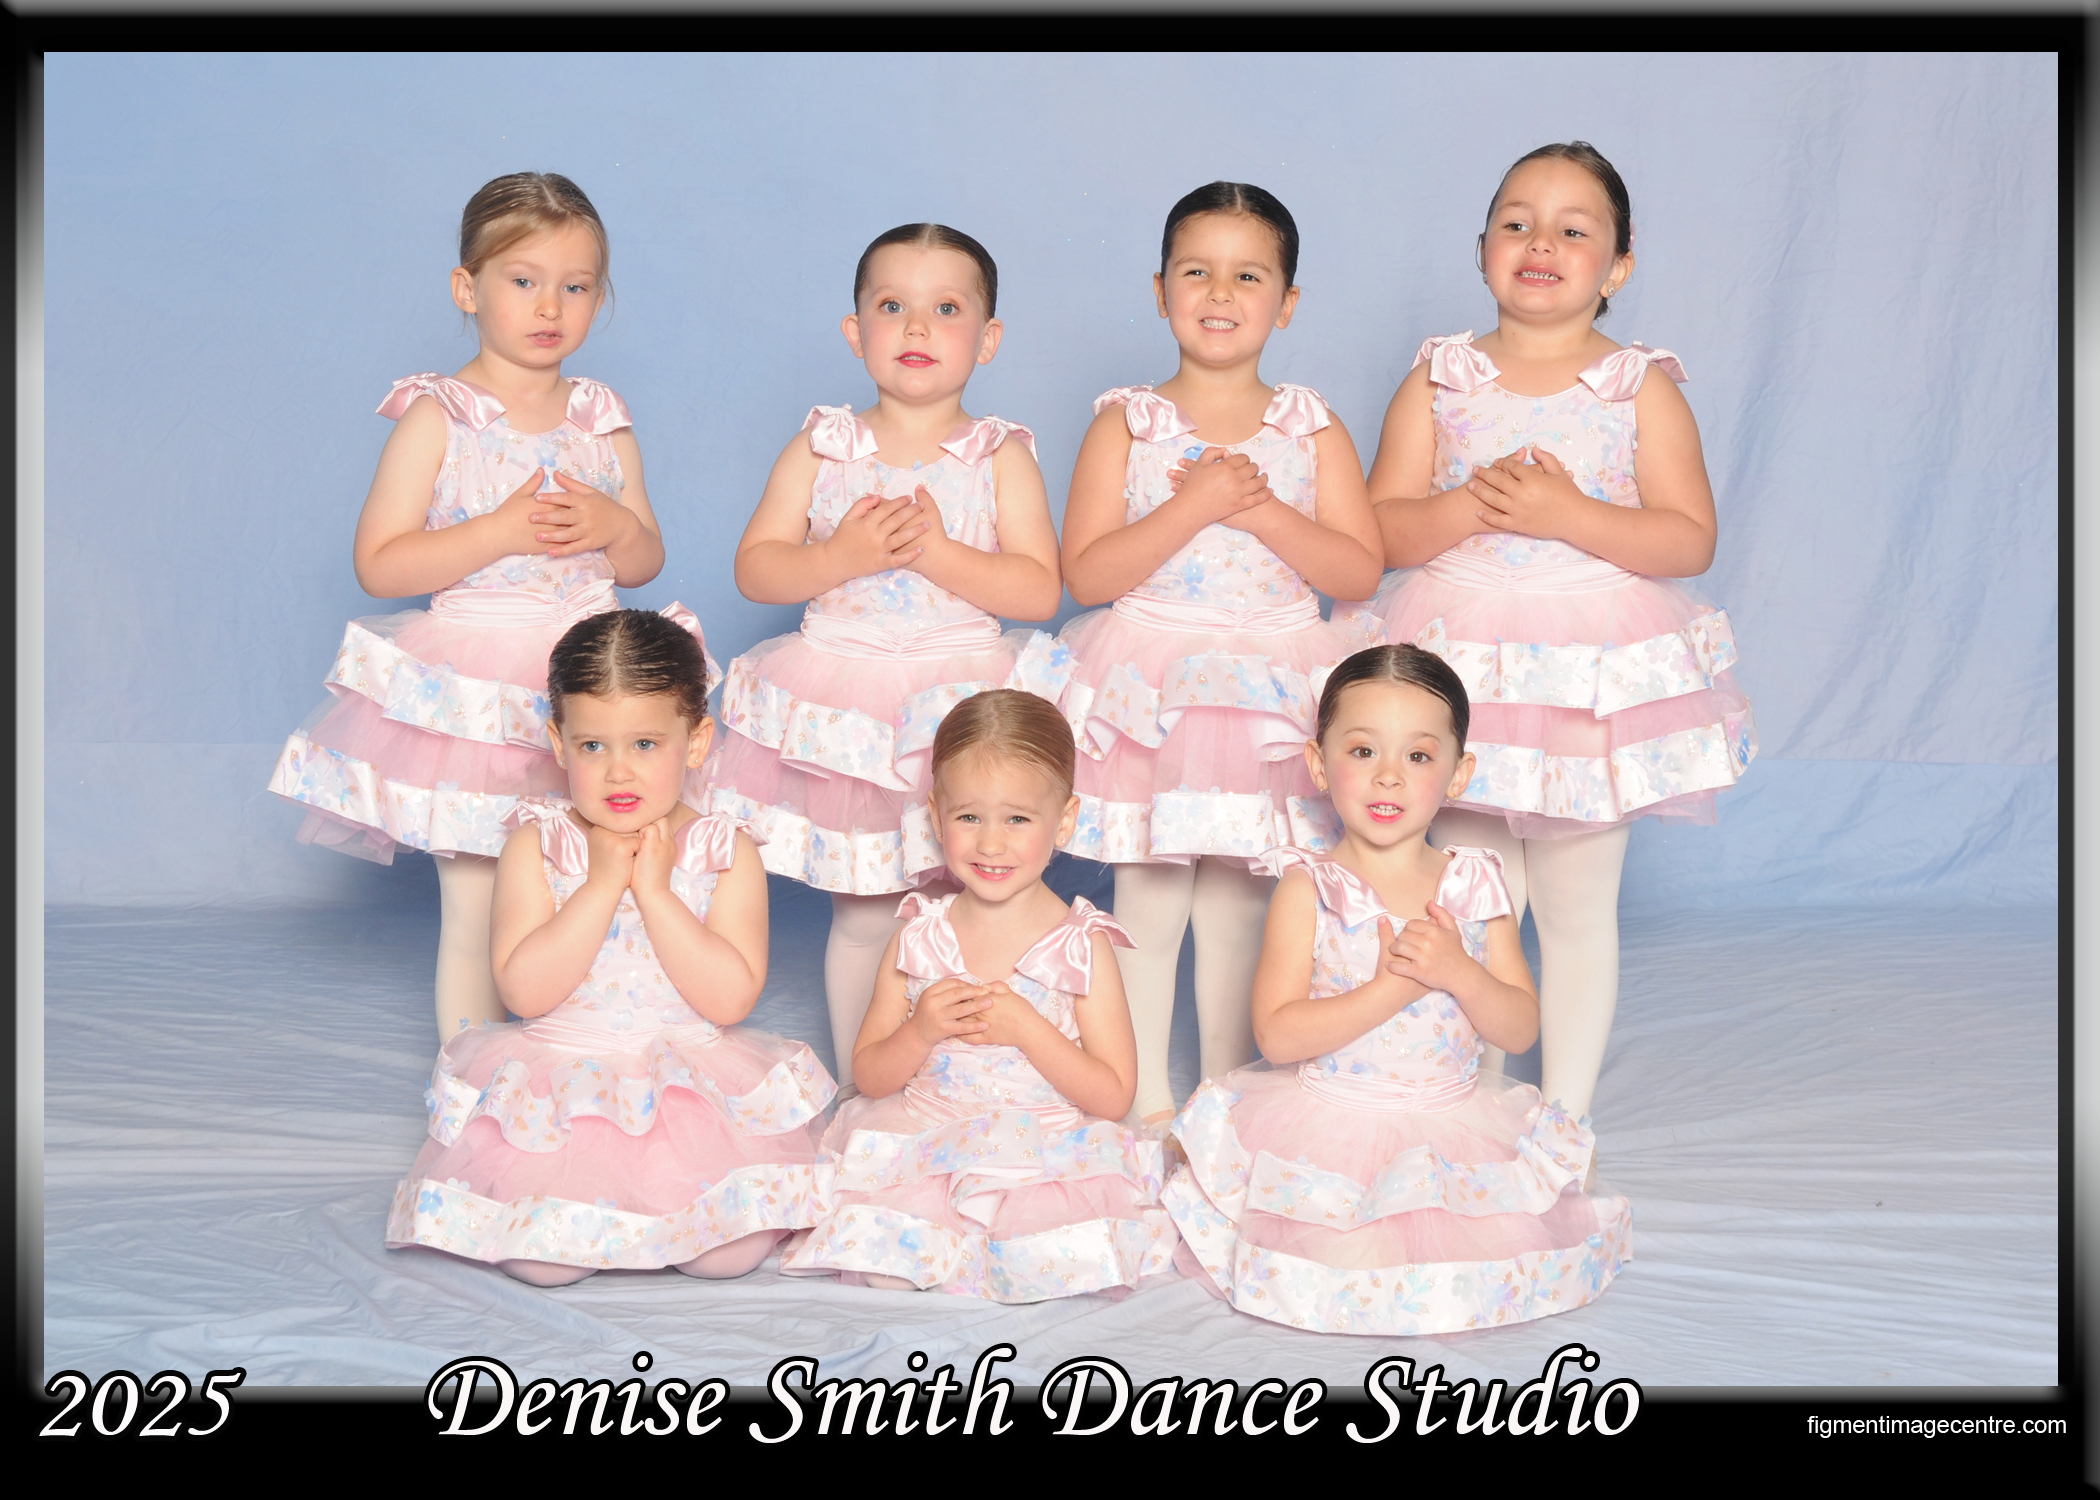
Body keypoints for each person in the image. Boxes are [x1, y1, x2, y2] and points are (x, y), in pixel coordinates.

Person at [1341, 142, 1754, 1126]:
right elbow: (1378, 531)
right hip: (1459, 659)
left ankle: (1564, 1119)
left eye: (1574, 230)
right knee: (1472, 899)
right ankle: (1471, 1100)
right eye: (1517, 223)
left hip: (1584, 674)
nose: (1540, 244)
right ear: (1482, 246)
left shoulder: (1636, 386)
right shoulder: (1440, 378)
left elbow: (1688, 536)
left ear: (1618, 266)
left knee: (1574, 907)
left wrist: (1567, 513)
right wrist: (1472, 508)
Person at [269, 172, 669, 1041]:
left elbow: (645, 559)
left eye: (576, 286)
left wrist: (614, 526)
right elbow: (380, 563)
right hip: (480, 688)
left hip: (592, 680)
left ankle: (572, 1060)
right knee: (481, 900)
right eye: (523, 280)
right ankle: (467, 1073)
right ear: (467, 288)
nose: (550, 306)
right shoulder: (440, 417)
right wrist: (494, 531)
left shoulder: (600, 417)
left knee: (594, 881)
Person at [1164, 645, 1630, 1334]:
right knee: (1342, 1259)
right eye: (1362, 751)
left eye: (1417, 755)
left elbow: (1518, 1027)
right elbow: (1278, 1035)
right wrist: (1390, 990)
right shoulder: (1309, 887)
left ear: (1459, 772)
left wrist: (1459, 973)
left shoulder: (1474, 882)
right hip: (1333, 1124)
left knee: (1479, 1255)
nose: (1389, 776)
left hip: (1452, 1123)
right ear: (1319, 764)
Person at [1057, 182, 1385, 1126]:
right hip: (1151, 679)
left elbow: (1358, 569)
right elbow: (1087, 571)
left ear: (1287, 302)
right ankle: (1143, 1097)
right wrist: (1193, 505)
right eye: (1196, 272)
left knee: (1243, 907)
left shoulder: (1309, 427)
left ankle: (1223, 1097)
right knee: (1150, 900)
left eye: (1248, 276)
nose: (1220, 293)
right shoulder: (1127, 424)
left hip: (1271, 684)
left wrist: (1260, 508)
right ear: (1160, 290)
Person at [712, 224, 1069, 1083]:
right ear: (855, 330)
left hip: (961, 699)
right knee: (868, 911)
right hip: (850, 702)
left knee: (966, 898)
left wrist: (938, 553)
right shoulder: (824, 447)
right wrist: (840, 556)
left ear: (987, 338)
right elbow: (756, 567)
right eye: (892, 306)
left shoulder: (999, 455)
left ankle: (963, 1081)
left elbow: (1037, 589)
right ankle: (862, 1083)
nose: (917, 327)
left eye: (945, 309)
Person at [387, 609, 833, 1286]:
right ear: (558, 743)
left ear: (696, 741)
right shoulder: (539, 844)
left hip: (686, 1087)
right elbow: (525, 992)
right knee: (543, 1261)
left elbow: (730, 1000)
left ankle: (667, 1209)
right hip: (566, 1082)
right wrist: (600, 886)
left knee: (724, 1255)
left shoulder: (722, 849)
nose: (618, 772)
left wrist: (655, 892)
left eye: (645, 744)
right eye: (593, 746)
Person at [782, 690, 1177, 1300]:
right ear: (936, 815)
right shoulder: (920, 934)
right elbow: (872, 1075)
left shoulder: (1079, 945)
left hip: (1040, 1154)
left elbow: (1114, 1095)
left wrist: (1031, 1031)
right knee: (885, 1263)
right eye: (969, 817)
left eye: (1017, 819)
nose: (991, 844)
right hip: (928, 1137)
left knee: (1049, 1265)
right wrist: (919, 1031)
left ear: (1064, 820)